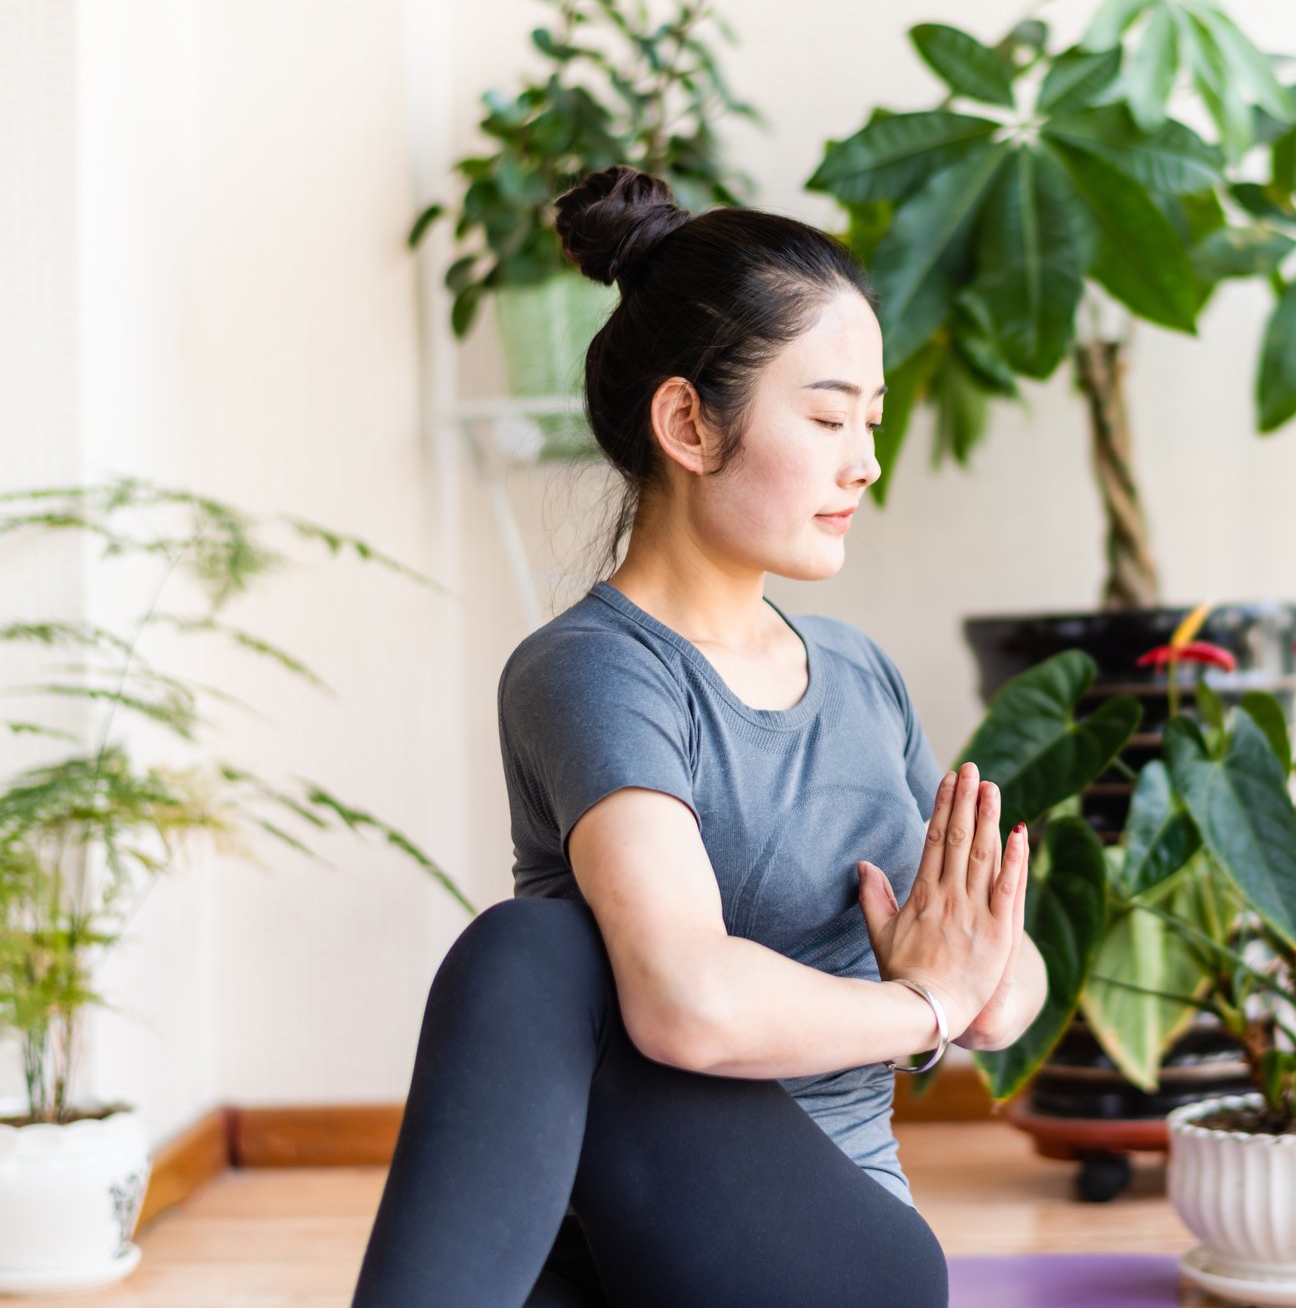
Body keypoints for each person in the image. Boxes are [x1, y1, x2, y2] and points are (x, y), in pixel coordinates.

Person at [350, 165, 1047, 1307]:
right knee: (542, 954)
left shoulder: (862, 677)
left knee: (533, 949)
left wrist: (960, 986)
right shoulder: (594, 669)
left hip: (839, 1258)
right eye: (826, 417)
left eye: (868, 421)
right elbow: (689, 1000)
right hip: (627, 1245)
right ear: (686, 420)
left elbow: (1006, 986)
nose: (863, 460)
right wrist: (922, 1006)